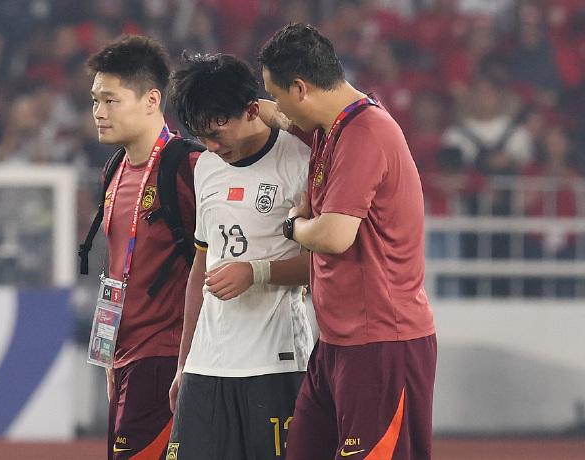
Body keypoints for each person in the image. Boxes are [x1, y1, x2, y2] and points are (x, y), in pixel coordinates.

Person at [259, 24, 437, 460]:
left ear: (300, 88)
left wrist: (294, 226)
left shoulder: (365, 133)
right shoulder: (333, 127)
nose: (277, 106)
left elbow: (335, 235)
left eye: (277, 94)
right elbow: (282, 117)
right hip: (338, 343)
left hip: (382, 343)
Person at [165, 52, 314, 460]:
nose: (212, 146)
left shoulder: (299, 162)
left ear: (252, 110)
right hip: (207, 363)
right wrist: (184, 362)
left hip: (276, 361)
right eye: (202, 136)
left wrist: (256, 272)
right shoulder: (206, 167)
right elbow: (202, 266)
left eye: (218, 132)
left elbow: (323, 266)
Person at [86, 35, 202, 460]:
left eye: (111, 100)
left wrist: (190, 362)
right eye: (95, 100)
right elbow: (119, 265)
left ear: (152, 100)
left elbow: (216, 260)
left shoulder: (188, 166)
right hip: (123, 359)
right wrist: (110, 353)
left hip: (165, 358)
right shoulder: (114, 169)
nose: (99, 112)